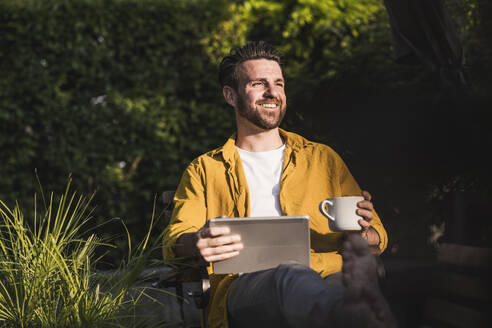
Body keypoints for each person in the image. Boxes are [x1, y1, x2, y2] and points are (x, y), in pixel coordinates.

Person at [162, 41, 397, 328]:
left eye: (278, 84)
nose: (272, 93)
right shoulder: (205, 169)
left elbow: (377, 238)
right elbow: (175, 240)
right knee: (293, 278)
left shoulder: (323, 159)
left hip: (328, 272)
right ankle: (353, 311)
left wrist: (363, 230)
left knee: (335, 289)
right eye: (259, 84)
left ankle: (351, 308)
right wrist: (197, 242)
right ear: (230, 95)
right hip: (246, 284)